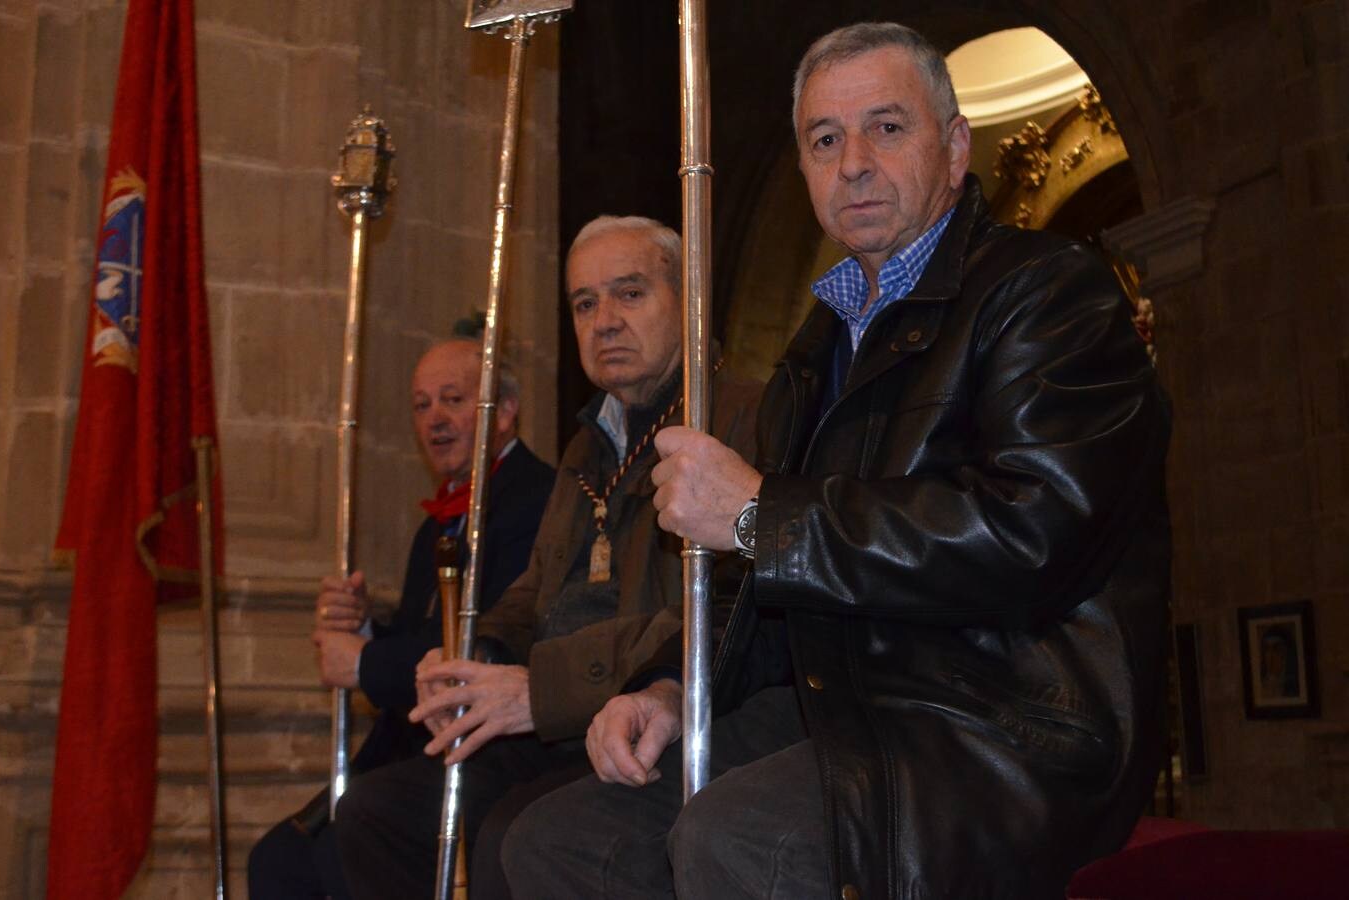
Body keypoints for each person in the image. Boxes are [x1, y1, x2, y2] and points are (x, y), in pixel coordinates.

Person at [502, 22, 1172, 900]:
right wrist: (670, 691)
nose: (852, 160)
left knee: (738, 840)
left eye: (887, 127)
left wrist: (757, 514)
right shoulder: (814, 352)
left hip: (1006, 717)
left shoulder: (1048, 295)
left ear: (956, 145)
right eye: (824, 139)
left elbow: (1035, 537)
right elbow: (760, 596)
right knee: (558, 840)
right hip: (842, 702)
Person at [333, 216, 760, 899]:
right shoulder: (587, 444)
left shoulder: (738, 420)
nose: (604, 321)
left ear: (687, 300)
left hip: (658, 713)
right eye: (585, 304)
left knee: (513, 835)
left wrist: (543, 688)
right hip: (557, 718)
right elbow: (537, 589)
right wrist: (475, 657)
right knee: (372, 813)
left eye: (629, 294)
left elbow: (713, 616)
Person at [247, 339, 555, 899]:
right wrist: (366, 631)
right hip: (418, 749)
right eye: (421, 405)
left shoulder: (534, 501)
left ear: (505, 410)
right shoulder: (438, 523)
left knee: (338, 848)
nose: (434, 419)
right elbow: (425, 640)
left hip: (499, 751)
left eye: (453, 400)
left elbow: (485, 643)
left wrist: (364, 663)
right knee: (279, 859)